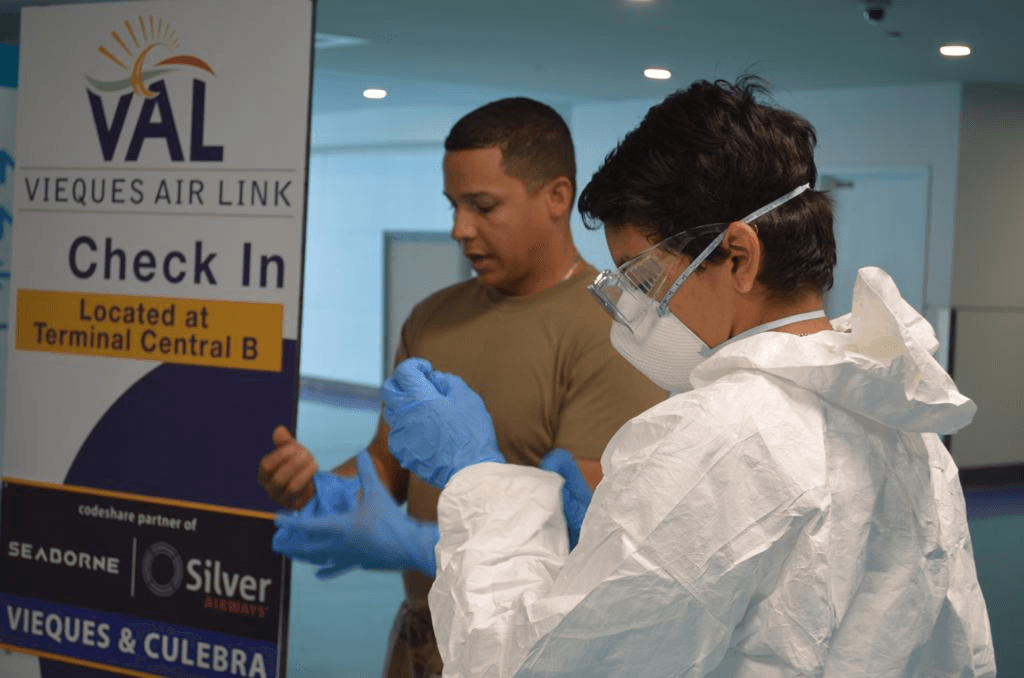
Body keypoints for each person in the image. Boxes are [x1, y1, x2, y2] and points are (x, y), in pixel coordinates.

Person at [379, 77, 997, 677]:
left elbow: (529, 666)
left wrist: (477, 478)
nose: (636, 312)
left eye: (644, 281)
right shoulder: (905, 429)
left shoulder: (715, 437)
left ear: (739, 256)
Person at [261, 97, 667, 678]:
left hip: (530, 644)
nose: (459, 229)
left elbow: (594, 529)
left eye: (483, 206)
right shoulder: (433, 319)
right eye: (453, 206)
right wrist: (317, 488)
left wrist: (413, 542)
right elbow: (386, 465)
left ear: (557, 197)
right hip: (425, 637)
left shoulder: (616, 327)